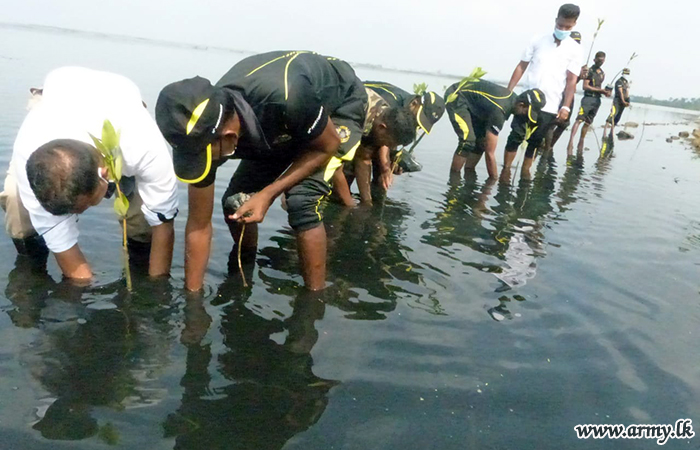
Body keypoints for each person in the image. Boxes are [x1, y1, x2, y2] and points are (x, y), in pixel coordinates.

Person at [156, 51, 405, 292]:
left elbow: (328, 146)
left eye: (205, 156)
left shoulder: (288, 96)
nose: (203, 163)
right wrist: (193, 300)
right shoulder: (204, 127)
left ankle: (314, 304)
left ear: (231, 137)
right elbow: (199, 224)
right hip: (284, 121)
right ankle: (244, 265)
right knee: (234, 203)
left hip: (340, 105)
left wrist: (269, 193)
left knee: (301, 200)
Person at [1, 67, 179, 281]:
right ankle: (31, 272)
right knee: (16, 202)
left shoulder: (143, 145)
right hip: (52, 101)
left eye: (87, 205)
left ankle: (138, 266)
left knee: (141, 224)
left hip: (123, 104)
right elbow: (72, 263)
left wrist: (156, 293)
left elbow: (163, 223)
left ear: (105, 175)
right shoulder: (31, 158)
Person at [504, 3, 583, 177]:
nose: (562, 29)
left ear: (574, 24)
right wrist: (508, 92)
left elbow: (571, 82)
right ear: (555, 20)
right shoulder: (538, 40)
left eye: (567, 26)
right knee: (515, 137)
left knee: (534, 142)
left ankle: (525, 174)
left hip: (550, 105)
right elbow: (521, 66)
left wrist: (566, 107)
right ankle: (506, 171)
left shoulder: (575, 50)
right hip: (526, 101)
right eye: (560, 25)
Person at [444, 79, 546, 179]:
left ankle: (469, 173)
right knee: (467, 141)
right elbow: (490, 153)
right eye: (526, 112)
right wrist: (494, 180)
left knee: (481, 142)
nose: (525, 117)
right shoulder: (500, 110)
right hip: (457, 96)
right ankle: (454, 180)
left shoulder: (513, 100)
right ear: (521, 105)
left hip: (476, 104)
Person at [332, 90, 415, 206]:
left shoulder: (383, 116)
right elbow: (334, 166)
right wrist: (350, 204)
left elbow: (363, 158)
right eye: (388, 143)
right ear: (382, 128)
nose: (387, 147)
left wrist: (367, 202)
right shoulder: (357, 117)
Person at [363, 81, 445, 189]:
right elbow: (383, 135)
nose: (417, 124)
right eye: (419, 119)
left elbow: (391, 139)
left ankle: (375, 200)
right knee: (357, 161)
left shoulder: (409, 111)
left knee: (381, 172)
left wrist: (394, 160)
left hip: (378, 131)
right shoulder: (391, 102)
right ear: (415, 103)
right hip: (361, 119)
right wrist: (386, 167)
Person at [566, 51, 610, 156]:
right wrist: (601, 91)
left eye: (602, 60)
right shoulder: (589, 71)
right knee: (579, 119)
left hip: (597, 100)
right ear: (594, 60)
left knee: (588, 122)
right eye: (599, 60)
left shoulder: (602, 73)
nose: (601, 62)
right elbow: (585, 86)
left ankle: (581, 141)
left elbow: (600, 87)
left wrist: (606, 92)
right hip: (588, 99)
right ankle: (571, 141)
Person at [549, 31, 587, 148]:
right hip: (557, 92)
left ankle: (549, 146)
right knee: (551, 122)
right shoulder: (559, 54)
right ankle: (544, 148)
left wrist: (580, 75)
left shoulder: (577, 57)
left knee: (564, 124)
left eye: (578, 42)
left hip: (569, 95)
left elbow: (572, 81)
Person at [602, 68, 631, 142]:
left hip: (623, 103)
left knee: (617, 118)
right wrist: (623, 101)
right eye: (625, 73)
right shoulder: (619, 81)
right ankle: (604, 133)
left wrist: (627, 101)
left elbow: (627, 91)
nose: (626, 75)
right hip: (617, 101)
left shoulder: (626, 82)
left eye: (628, 73)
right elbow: (620, 92)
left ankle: (611, 132)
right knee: (612, 115)